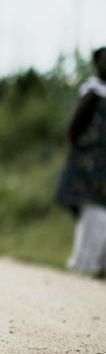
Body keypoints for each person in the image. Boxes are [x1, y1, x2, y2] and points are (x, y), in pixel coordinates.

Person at [55, 47, 106, 277]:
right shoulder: (93, 91)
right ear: (97, 63)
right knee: (91, 212)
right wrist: (81, 153)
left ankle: (94, 263)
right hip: (89, 162)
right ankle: (87, 262)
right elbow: (74, 127)